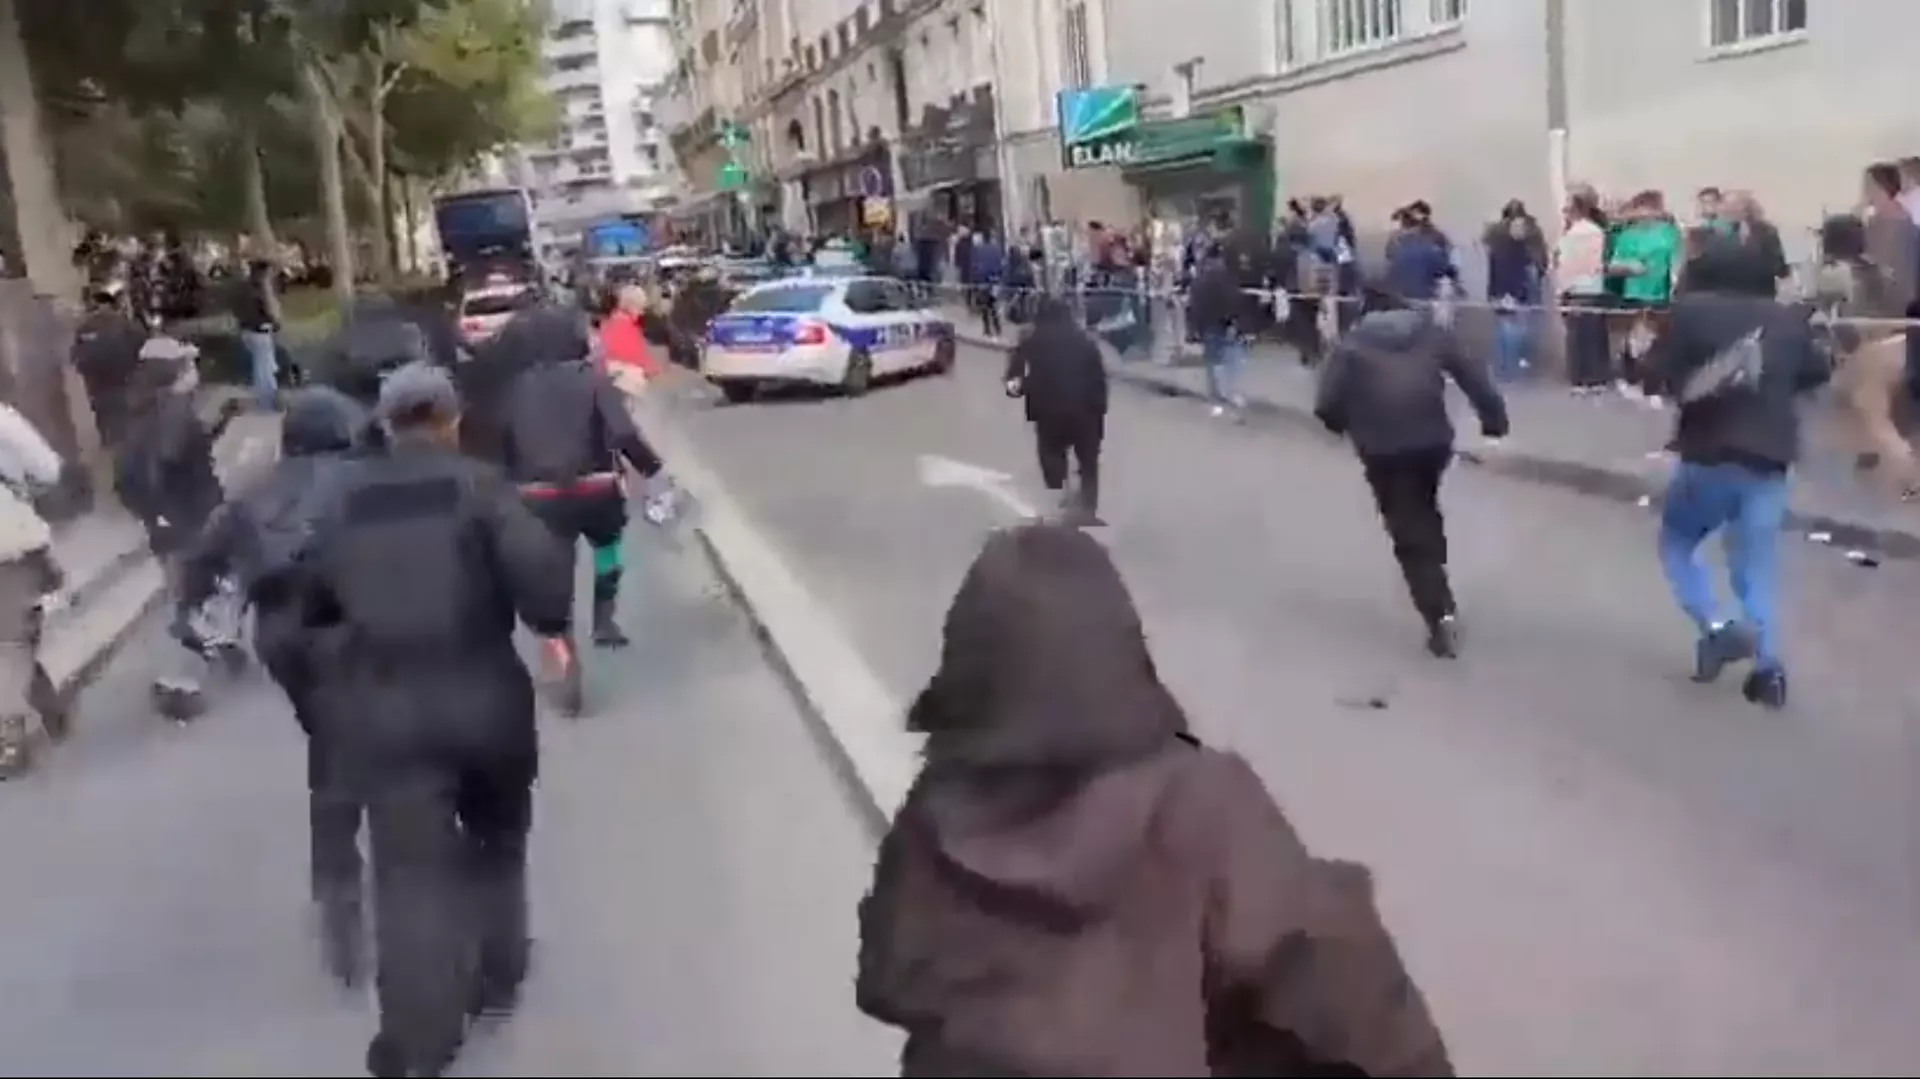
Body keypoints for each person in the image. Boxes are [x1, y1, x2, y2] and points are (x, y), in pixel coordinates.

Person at [856, 523, 1452, 1077]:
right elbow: (1336, 971)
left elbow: (884, 981)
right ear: (1124, 651)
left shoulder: (932, 812)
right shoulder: (1197, 799)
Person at [304, 363, 572, 1077]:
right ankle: (498, 971)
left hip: (387, 713)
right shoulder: (481, 486)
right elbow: (545, 588)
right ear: (452, 420)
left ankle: (419, 1043)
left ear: (387, 425)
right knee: (498, 840)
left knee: (409, 873)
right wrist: (550, 619)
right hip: (485, 698)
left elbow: (309, 606)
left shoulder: (340, 501)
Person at [174, 386, 371, 981]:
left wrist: (188, 615)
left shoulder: (249, 496)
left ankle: (335, 882)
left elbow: (200, 563)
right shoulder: (367, 480)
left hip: (283, 638)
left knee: (330, 749)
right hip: (359, 626)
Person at [1640, 243, 1831, 710]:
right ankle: (1768, 670)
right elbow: (1816, 374)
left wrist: (1644, 356)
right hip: (1771, 457)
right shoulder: (1786, 318)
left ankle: (1717, 628)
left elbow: (1657, 376)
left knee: (1678, 541)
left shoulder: (1690, 311)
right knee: (1754, 566)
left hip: (1709, 453)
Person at [1313, 280, 1508, 658]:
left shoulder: (1352, 344)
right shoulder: (1431, 333)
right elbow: (1474, 376)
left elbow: (1326, 403)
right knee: (1423, 502)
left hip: (1382, 448)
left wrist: (1343, 425)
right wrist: (1494, 420)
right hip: (1432, 441)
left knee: (1406, 526)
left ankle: (1439, 613)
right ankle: (1436, 565)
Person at [499, 306, 668, 705]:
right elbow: (624, 432)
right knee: (607, 544)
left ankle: (559, 646)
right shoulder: (593, 380)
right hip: (596, 488)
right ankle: (605, 619)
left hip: (538, 497)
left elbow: (499, 444)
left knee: (550, 570)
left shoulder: (514, 389)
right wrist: (654, 470)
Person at [116, 337, 245, 714]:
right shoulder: (173, 411)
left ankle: (213, 644)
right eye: (189, 364)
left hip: (170, 523)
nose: (196, 370)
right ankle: (177, 681)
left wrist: (151, 513)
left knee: (197, 592)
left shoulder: (142, 410)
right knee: (200, 595)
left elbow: (132, 474)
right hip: (191, 521)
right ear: (174, 371)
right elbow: (167, 461)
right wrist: (171, 512)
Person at [0, 403, 69, 778]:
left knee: (12, 638)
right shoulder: (3, 419)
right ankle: (9, 736)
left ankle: (50, 709)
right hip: (9, 546)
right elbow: (49, 469)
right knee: (14, 641)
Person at [1003, 297, 1108, 526]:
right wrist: (1100, 413)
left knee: (1050, 455)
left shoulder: (1031, 341)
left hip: (1049, 414)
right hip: (1085, 413)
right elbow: (1099, 380)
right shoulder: (1085, 342)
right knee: (1088, 462)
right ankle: (1088, 507)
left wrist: (1017, 387)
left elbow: (1014, 378)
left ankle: (1059, 494)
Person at [71, 279, 148, 450]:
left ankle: (110, 442)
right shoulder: (123, 322)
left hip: (99, 383)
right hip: (122, 379)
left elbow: (76, 355)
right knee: (123, 414)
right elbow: (142, 343)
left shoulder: (84, 327)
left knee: (105, 413)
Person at [1186, 244, 1247, 418]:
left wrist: (1195, 328)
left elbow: (1194, 305)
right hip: (1224, 323)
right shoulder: (1226, 277)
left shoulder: (1200, 278)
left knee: (1212, 363)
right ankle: (1230, 393)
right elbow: (1233, 300)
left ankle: (1215, 399)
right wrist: (1234, 320)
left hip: (1208, 325)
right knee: (1231, 360)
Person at [234, 258, 283, 410]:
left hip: (248, 331)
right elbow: (268, 311)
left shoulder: (245, 288)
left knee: (264, 366)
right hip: (259, 332)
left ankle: (268, 398)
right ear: (262, 272)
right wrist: (274, 323)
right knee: (264, 369)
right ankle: (267, 401)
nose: (270, 276)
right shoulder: (259, 289)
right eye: (268, 272)